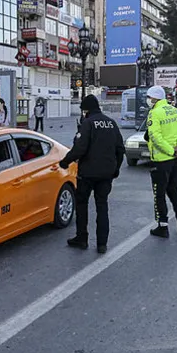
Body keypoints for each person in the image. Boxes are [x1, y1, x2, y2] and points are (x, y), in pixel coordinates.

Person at [59, 95, 125, 254]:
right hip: (106, 174)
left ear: (86, 110)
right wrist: (115, 169)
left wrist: (65, 162)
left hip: (87, 174)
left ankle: (82, 238)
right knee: (102, 207)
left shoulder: (88, 123)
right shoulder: (111, 123)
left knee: (82, 206)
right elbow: (120, 149)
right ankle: (102, 244)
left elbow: (79, 148)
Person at [145, 86, 177, 238]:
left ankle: (162, 226)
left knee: (159, 194)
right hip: (176, 160)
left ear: (154, 98)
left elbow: (156, 137)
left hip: (161, 160)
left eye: (148, 97)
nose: (147, 100)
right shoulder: (175, 111)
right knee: (173, 191)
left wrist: (170, 151)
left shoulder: (154, 113)